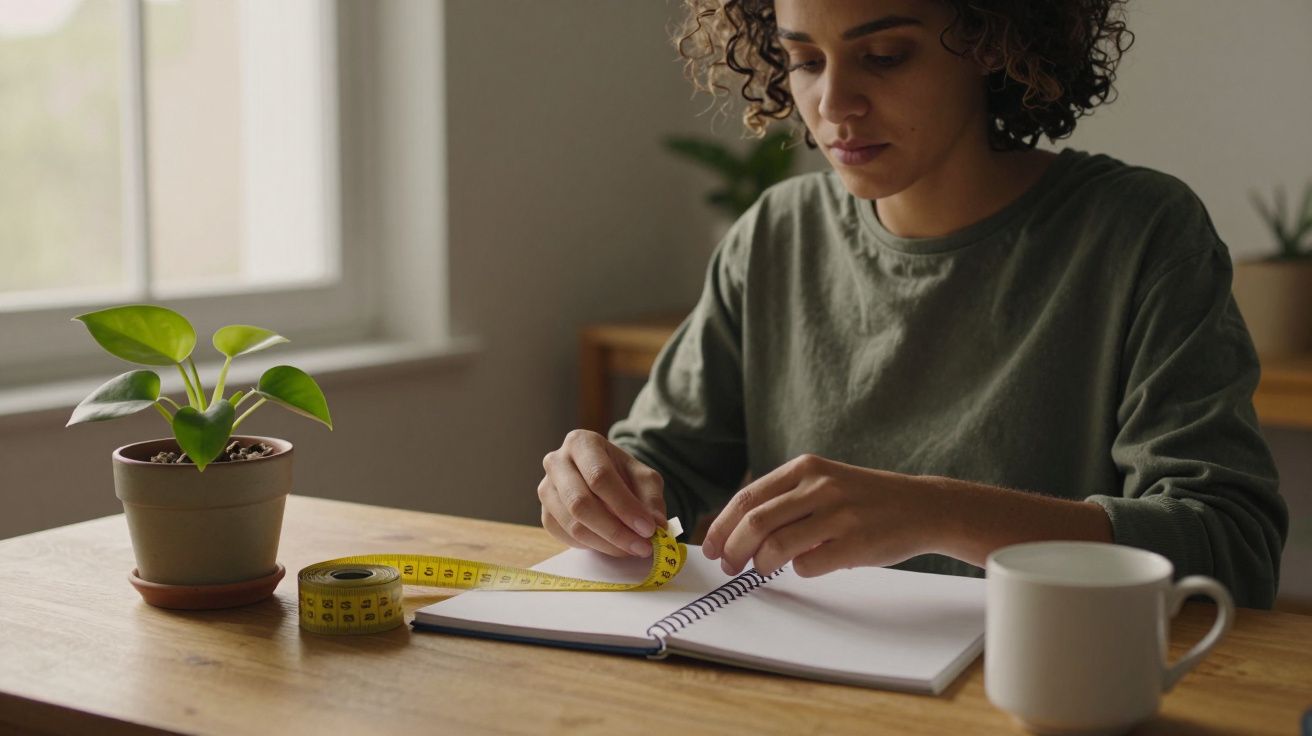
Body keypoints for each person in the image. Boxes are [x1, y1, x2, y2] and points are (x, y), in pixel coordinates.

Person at [536, 0, 1288, 608]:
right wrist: (599, 488)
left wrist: (939, 514)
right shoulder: (774, 234)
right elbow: (661, 461)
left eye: (885, 55)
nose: (833, 103)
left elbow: (1231, 547)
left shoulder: (1141, 233)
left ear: (993, 37)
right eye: (803, 60)